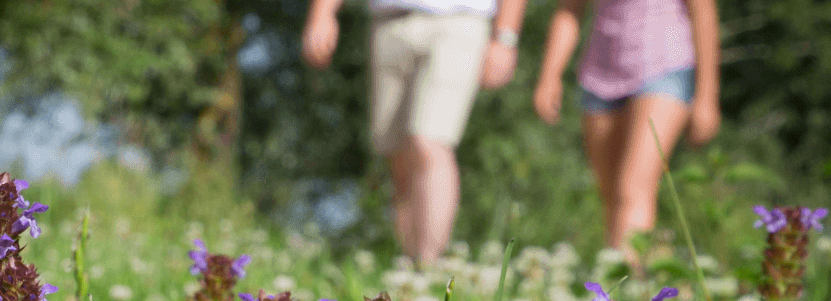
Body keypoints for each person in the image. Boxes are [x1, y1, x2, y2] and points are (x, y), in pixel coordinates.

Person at [304, 0, 528, 265]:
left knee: (429, 142)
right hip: (388, 21)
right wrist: (322, 13)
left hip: (460, 20)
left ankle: (430, 265)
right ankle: (409, 265)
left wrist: (505, 36)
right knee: (397, 154)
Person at [533, 0, 720, 267]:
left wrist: (707, 96)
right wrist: (549, 75)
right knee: (611, 197)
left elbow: (703, 11)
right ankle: (654, 283)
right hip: (600, 73)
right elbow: (569, 9)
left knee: (632, 188)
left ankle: (629, 295)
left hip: (665, 67)